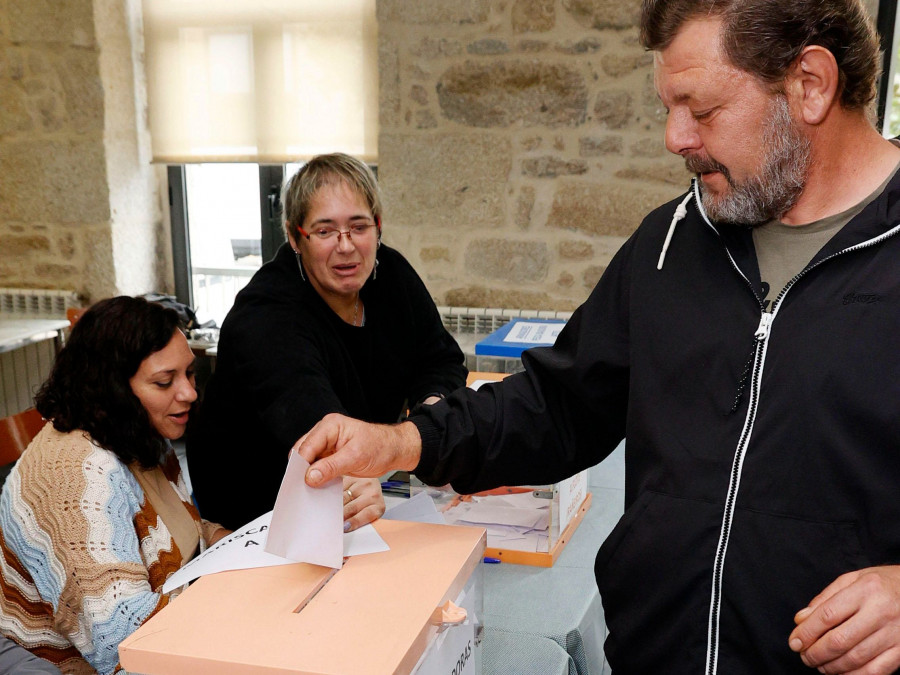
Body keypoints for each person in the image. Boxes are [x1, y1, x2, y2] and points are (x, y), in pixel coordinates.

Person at [295, 1, 900, 673]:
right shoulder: (669, 246)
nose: (674, 138)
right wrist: (403, 441)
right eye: (667, 108)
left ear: (810, 85)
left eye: (701, 112)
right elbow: (558, 405)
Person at [187, 153, 467, 531]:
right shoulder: (266, 312)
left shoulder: (390, 274)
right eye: (324, 231)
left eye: (358, 226)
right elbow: (314, 422)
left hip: (355, 489)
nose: (346, 246)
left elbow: (440, 359)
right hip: (256, 516)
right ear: (294, 237)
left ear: (378, 226)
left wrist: (432, 411)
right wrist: (362, 467)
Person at [0, 296, 230, 675]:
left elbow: (179, 536)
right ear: (113, 388)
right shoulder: (73, 479)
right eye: (164, 381)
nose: (189, 392)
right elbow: (124, 643)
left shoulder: (139, 432)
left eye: (189, 373)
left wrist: (242, 544)